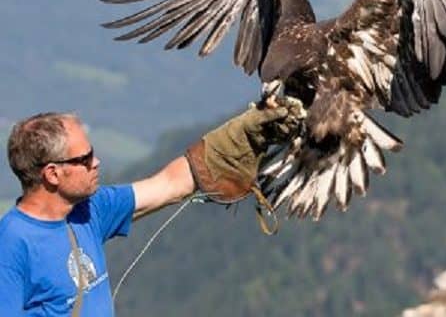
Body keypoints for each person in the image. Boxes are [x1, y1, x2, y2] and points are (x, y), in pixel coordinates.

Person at [0, 104, 300, 316]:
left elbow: (169, 185)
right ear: (52, 174)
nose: (97, 162)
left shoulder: (88, 210)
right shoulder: (13, 243)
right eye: (85, 158)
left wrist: (240, 134)